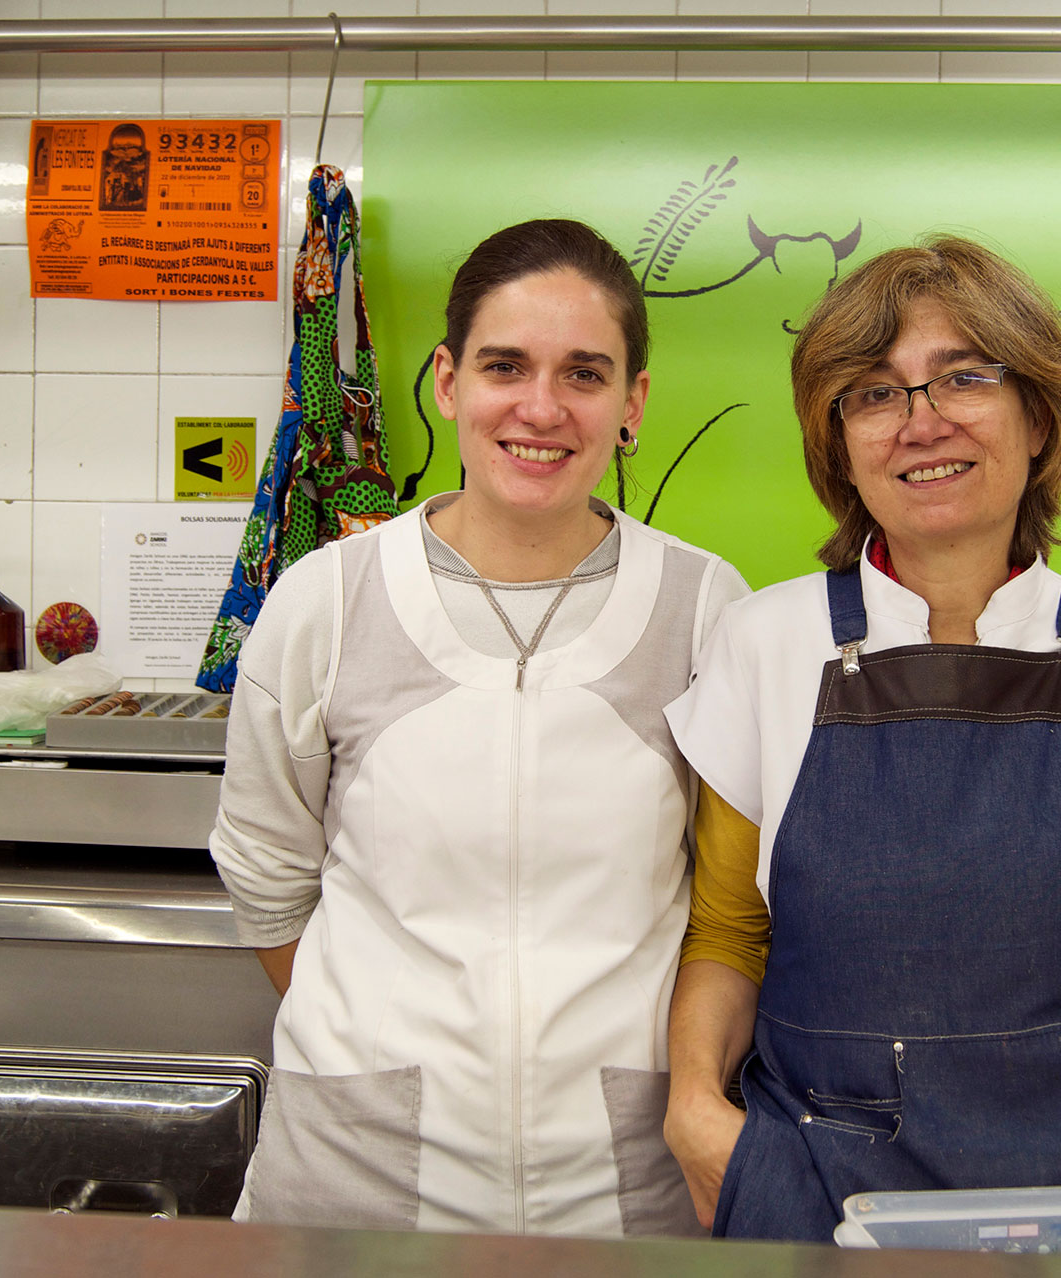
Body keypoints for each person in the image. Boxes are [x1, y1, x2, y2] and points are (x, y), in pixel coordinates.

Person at [660, 234, 1061, 1242]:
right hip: (822, 1186)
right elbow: (729, 934)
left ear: (1038, 416)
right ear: (840, 446)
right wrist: (696, 1113)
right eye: (874, 394)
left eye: (964, 378)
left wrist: (1056, 1085)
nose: (920, 421)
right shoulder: (765, 643)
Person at [210, 219, 749, 1236]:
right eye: (506, 366)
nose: (541, 407)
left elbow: (731, 903)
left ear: (630, 405)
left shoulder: (704, 608)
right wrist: (385, 1051)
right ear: (449, 381)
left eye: (584, 374)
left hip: (622, 1182)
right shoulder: (326, 602)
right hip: (353, 1179)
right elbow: (269, 878)